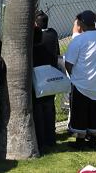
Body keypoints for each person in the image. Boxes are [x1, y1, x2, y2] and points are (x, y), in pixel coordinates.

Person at [65, 10, 96, 150]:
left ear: (81, 24)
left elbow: (69, 63)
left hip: (81, 83)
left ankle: (80, 141)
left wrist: (73, 75)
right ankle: (93, 140)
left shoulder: (79, 40)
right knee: (95, 111)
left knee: (80, 112)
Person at [32, 24, 57, 152]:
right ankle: (51, 139)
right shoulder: (47, 49)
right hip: (48, 84)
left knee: (38, 114)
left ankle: (41, 141)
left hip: (37, 85)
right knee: (49, 112)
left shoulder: (31, 52)